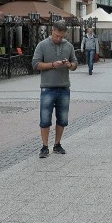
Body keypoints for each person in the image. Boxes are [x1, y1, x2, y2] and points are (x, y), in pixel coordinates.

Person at [32, 21, 78, 158]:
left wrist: (70, 65)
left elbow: (75, 64)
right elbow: (35, 64)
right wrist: (52, 65)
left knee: (62, 118)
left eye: (61, 36)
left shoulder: (68, 46)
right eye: (57, 35)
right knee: (45, 119)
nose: (59, 38)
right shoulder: (42, 45)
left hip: (64, 88)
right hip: (47, 88)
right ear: (52, 31)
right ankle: (45, 146)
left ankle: (57, 144)